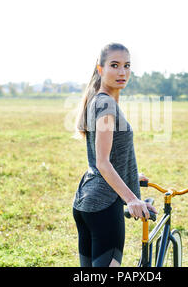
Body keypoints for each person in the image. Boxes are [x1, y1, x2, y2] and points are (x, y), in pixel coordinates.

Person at [72, 42, 157, 267]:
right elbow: (102, 162)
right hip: (104, 205)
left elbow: (107, 156)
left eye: (127, 65)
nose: (122, 72)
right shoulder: (106, 104)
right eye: (115, 65)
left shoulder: (98, 100)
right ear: (100, 69)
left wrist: (130, 175)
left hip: (85, 201)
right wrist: (132, 199)